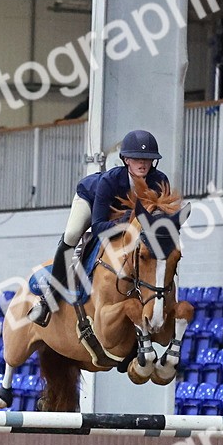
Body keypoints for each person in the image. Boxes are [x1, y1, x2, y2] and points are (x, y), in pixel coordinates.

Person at [27, 129, 170, 326]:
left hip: (127, 219)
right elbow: (98, 227)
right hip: (91, 199)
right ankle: (48, 298)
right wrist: (126, 223)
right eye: (137, 158)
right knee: (72, 234)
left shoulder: (159, 181)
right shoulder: (109, 181)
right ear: (126, 159)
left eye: (148, 158)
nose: (143, 163)